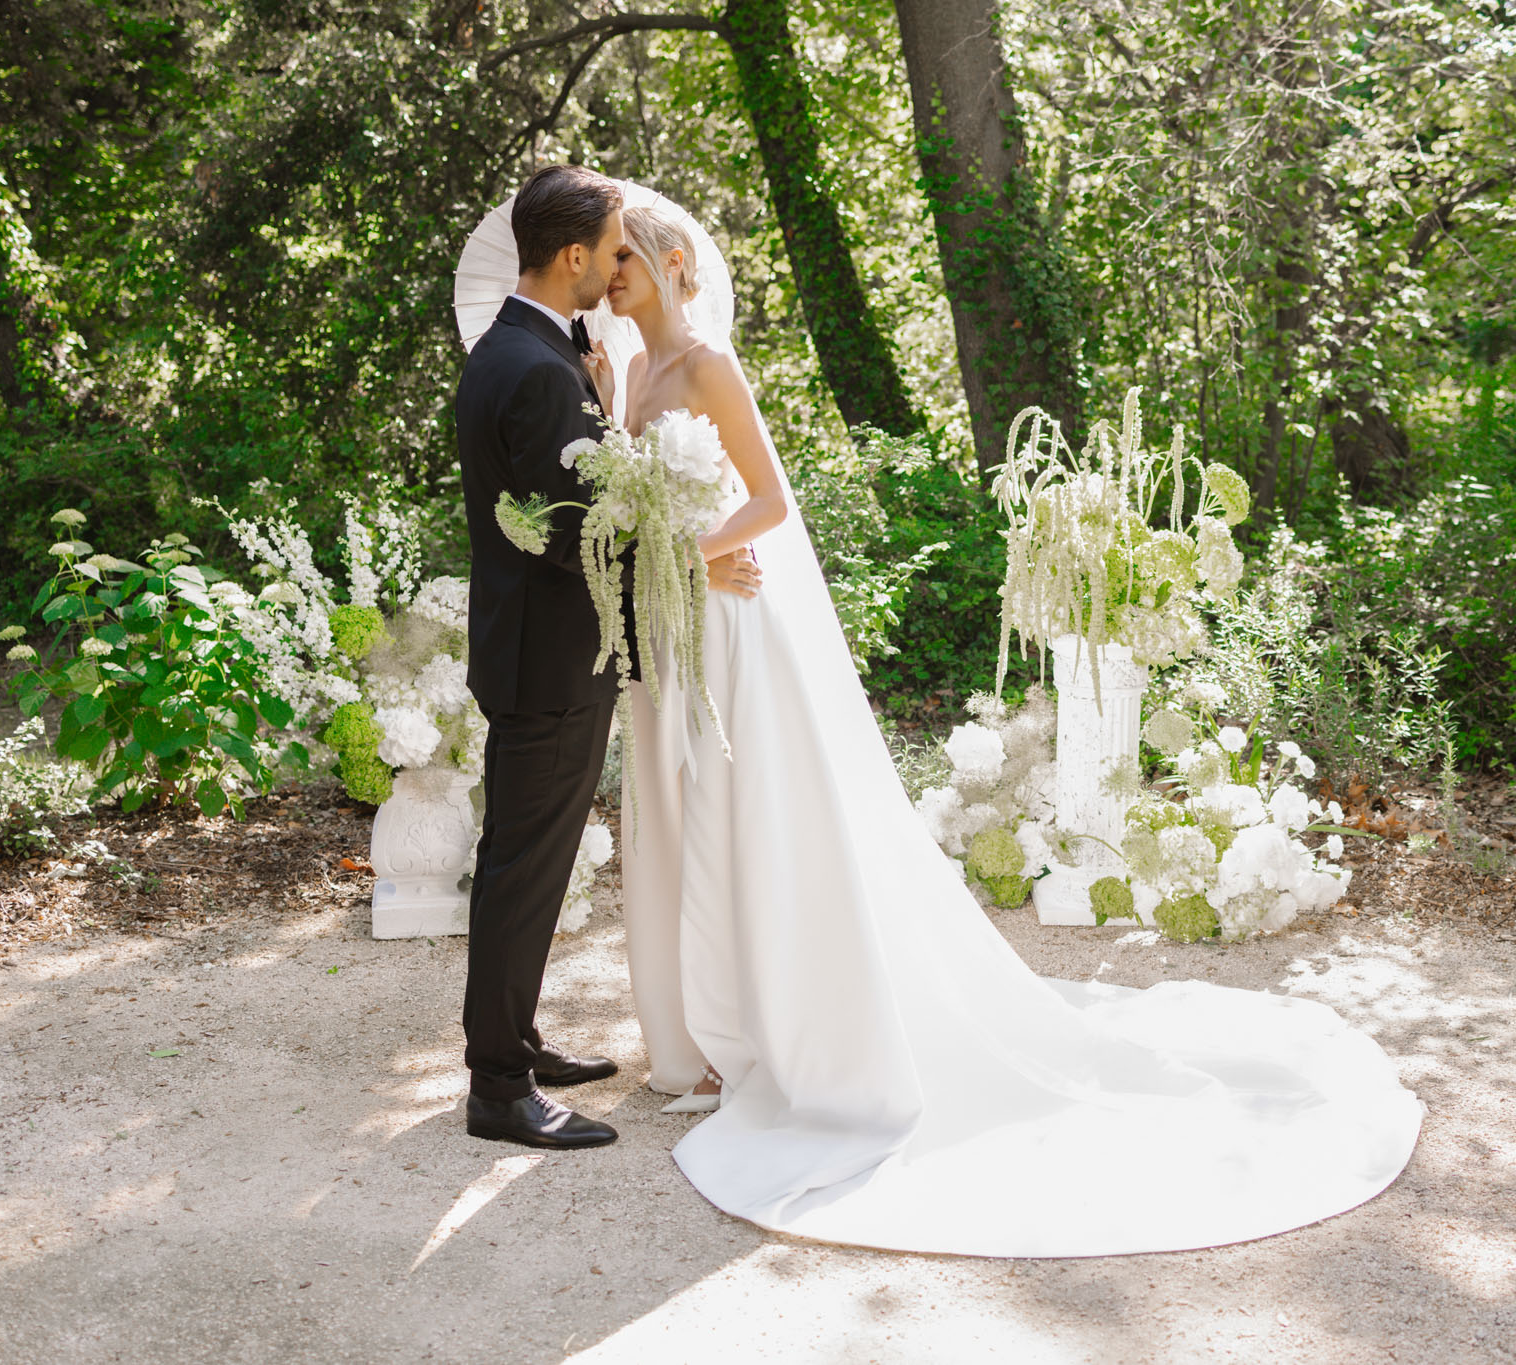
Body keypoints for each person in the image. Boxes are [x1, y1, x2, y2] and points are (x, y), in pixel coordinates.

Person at [590, 185, 1425, 1258]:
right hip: (675, 626)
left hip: (734, 619)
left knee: (751, 810)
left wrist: (688, 554)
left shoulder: (707, 366)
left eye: (621, 260)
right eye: (606, 263)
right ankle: (717, 1030)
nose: (610, 279)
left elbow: (766, 505)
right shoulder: (631, 375)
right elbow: (634, 506)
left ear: (672, 267)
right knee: (689, 806)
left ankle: (777, 1034)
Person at [450, 165, 632, 1151]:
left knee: (532, 863)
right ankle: (499, 1087)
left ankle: (516, 1037)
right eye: (609, 251)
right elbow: (570, 532)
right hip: (550, 660)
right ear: (571, 256)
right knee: (522, 870)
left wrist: (599, 400)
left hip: (540, 654)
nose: (616, 267)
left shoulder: (529, 353)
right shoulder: (531, 369)